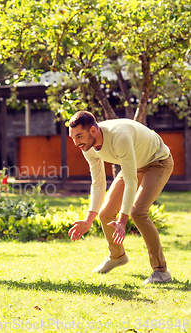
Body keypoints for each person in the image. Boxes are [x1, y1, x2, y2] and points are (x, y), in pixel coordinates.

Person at [67, 111, 173, 284]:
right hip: (135, 165)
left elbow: (131, 181)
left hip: (158, 162)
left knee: (138, 212)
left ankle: (161, 271)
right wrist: (88, 220)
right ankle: (117, 256)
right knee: (105, 213)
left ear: (93, 131)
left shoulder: (119, 136)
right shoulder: (87, 146)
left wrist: (123, 221)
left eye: (79, 136)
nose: (76, 143)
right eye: (73, 138)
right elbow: (98, 183)